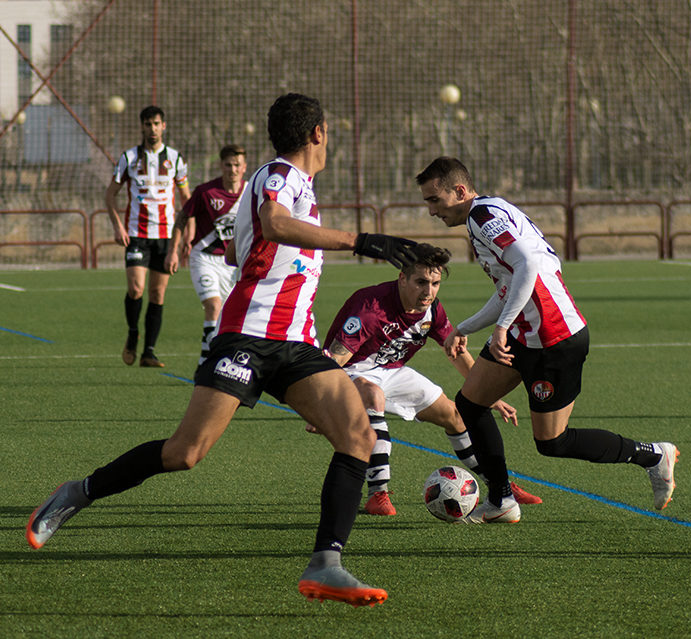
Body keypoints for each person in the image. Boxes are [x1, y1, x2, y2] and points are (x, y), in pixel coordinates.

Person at [27, 93, 420, 607]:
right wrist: (359, 240)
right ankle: (76, 493)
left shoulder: (295, 183)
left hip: (296, 343)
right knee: (184, 454)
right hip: (249, 337)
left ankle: (327, 564)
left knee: (358, 435)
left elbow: (245, 247)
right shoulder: (278, 172)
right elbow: (275, 223)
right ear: (319, 132)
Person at [415, 156, 678, 524]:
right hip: (527, 335)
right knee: (470, 403)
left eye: (434, 200)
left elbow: (529, 266)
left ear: (460, 192)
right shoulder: (490, 211)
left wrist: (502, 328)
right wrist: (467, 326)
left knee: (553, 442)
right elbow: (510, 284)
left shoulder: (482, 216)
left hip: (555, 338)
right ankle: (502, 499)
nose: (431, 211)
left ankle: (652, 455)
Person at [321, 242, 542, 516]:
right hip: (351, 373)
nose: (428, 291)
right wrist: (319, 405)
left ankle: (500, 485)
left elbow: (455, 352)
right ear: (402, 278)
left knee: (456, 415)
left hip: (392, 371)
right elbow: (335, 359)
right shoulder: (371, 307)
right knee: (373, 395)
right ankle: (378, 494)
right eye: (421, 282)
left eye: (435, 283)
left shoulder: (431, 309)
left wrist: (489, 395)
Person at [106, 105, 190, 368]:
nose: (152, 129)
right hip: (136, 234)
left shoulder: (175, 159)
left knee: (157, 293)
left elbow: (188, 201)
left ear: (163, 126)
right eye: (147, 124)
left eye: (156, 124)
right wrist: (117, 226)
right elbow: (110, 195)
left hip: (166, 236)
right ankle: (133, 334)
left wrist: (187, 236)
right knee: (136, 288)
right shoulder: (129, 158)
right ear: (141, 127)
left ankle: (149, 352)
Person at [165, 144, 248, 362]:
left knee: (231, 317)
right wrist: (173, 251)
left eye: (237, 165)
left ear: (244, 167)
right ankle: (205, 363)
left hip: (233, 265)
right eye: (228, 165)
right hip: (204, 259)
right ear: (221, 166)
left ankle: (224, 359)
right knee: (213, 306)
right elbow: (182, 219)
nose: (232, 169)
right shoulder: (205, 192)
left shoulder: (250, 193)